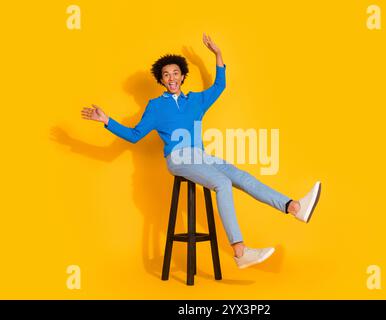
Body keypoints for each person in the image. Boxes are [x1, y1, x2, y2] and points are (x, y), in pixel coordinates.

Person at [81, 33, 322, 269]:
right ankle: (240, 251)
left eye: (175, 73)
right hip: (177, 158)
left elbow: (220, 85)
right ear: (161, 80)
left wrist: (217, 53)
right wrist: (107, 121)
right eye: (166, 75)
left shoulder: (196, 100)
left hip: (201, 157)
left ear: (183, 76)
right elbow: (134, 135)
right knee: (222, 182)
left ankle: (293, 207)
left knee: (241, 176)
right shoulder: (155, 106)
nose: (171, 77)